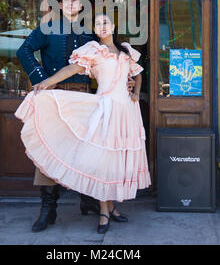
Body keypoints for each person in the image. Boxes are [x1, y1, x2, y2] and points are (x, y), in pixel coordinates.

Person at [15, 12, 151, 234]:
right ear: (95, 31)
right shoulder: (93, 51)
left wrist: (135, 92)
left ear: (113, 25)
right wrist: (47, 82)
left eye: (105, 23)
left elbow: (138, 74)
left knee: (118, 160)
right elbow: (72, 69)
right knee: (104, 161)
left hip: (127, 111)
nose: (102, 27)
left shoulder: (126, 51)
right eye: (98, 25)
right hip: (105, 109)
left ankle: (112, 207)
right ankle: (104, 213)